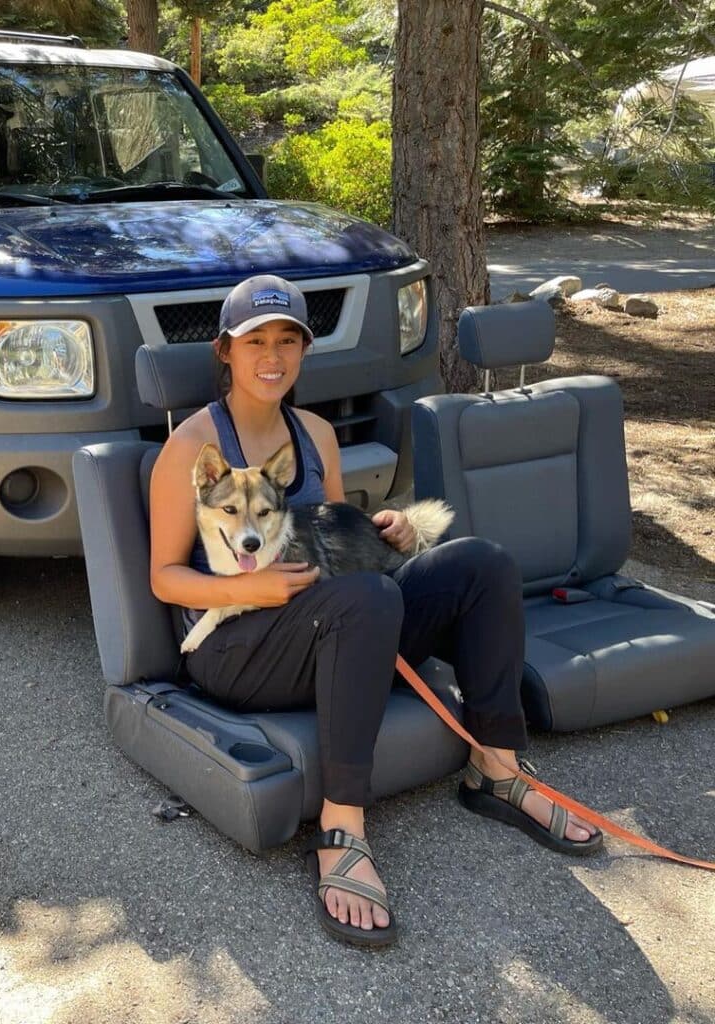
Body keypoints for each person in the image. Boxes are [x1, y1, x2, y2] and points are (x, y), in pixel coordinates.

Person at [149, 274, 603, 947]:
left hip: (332, 623)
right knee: (368, 599)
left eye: (287, 341)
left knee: (481, 562)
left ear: (304, 350)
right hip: (235, 650)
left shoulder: (313, 436)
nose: (272, 356)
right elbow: (163, 578)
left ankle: (497, 771)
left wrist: (385, 531)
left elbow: (334, 531)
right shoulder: (192, 447)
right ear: (225, 350)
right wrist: (248, 590)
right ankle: (341, 825)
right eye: (255, 342)